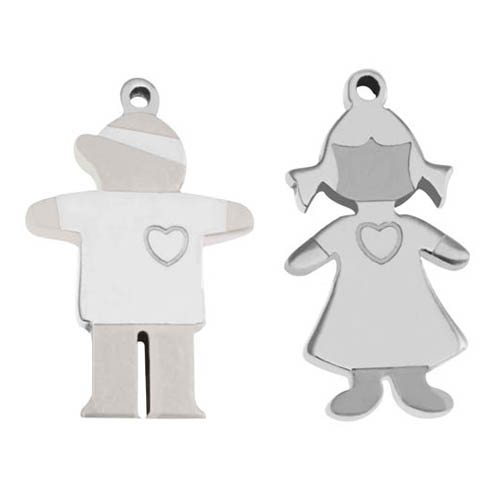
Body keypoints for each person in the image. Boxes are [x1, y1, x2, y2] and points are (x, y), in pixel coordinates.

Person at [26, 79, 253, 418]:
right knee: (153, 357)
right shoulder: (186, 209)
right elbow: (239, 216)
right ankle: (163, 405)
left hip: (115, 304)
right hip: (167, 306)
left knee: (127, 357)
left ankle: (132, 404)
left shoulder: (94, 207)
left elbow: (40, 213)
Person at [285, 70, 469, 419]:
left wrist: (450, 250)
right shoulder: (346, 229)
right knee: (363, 335)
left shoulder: (406, 227)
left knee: (406, 332)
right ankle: (365, 384)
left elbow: (455, 253)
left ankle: (412, 381)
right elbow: (301, 261)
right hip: (361, 302)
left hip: (403, 299)